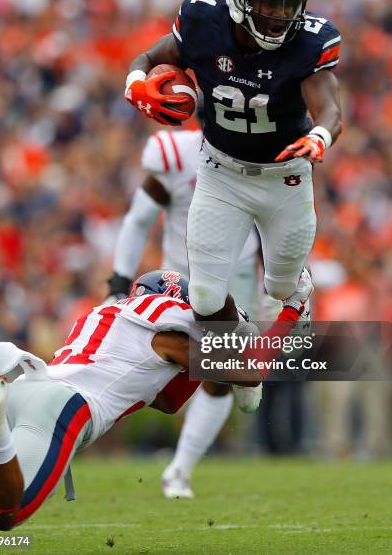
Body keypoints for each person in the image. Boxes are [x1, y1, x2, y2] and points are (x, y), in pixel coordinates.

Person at [0, 269, 309, 531]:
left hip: (24, 387)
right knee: (6, 514)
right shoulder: (171, 329)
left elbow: (167, 401)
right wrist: (290, 312)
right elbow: (250, 373)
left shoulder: (104, 314)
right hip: (60, 406)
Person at [124, 0, 342, 340]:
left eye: (286, 6)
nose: (278, 16)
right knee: (205, 298)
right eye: (267, 3)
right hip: (220, 171)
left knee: (279, 286)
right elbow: (149, 57)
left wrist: (318, 135)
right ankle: (241, 344)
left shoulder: (310, 42)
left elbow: (330, 110)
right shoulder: (203, 18)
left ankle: (299, 292)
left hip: (284, 176)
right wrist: (136, 83)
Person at [108, 101, 259, 499]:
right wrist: (118, 282)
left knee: (221, 380)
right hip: (179, 283)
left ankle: (179, 469)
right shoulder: (176, 156)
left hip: (235, 281)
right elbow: (138, 219)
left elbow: (276, 223)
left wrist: (280, 286)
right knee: (151, 371)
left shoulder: (264, 154)